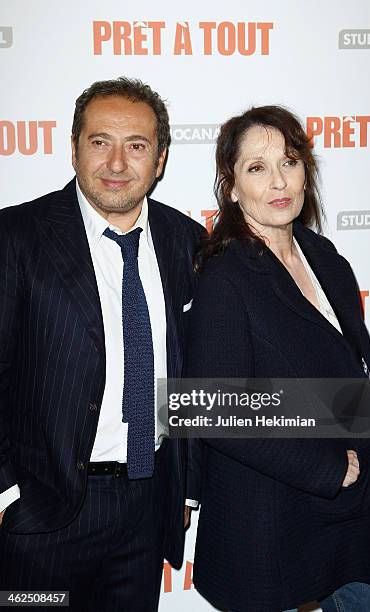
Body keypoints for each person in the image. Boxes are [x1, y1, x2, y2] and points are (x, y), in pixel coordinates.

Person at [184, 106, 370, 611]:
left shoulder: (325, 257)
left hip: (350, 513)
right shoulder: (225, 277)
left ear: (307, 170)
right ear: (232, 185)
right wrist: (327, 469)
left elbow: (355, 373)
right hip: (272, 518)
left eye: (289, 161)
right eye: (257, 168)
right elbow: (213, 410)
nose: (279, 181)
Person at [0, 77, 203, 611]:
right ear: (73, 148)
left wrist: (183, 484)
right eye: (99, 142)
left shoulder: (186, 242)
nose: (117, 163)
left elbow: (192, 369)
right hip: (41, 516)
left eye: (136, 146)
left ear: (159, 160)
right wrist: (6, 495)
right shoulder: (17, 236)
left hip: (146, 504)